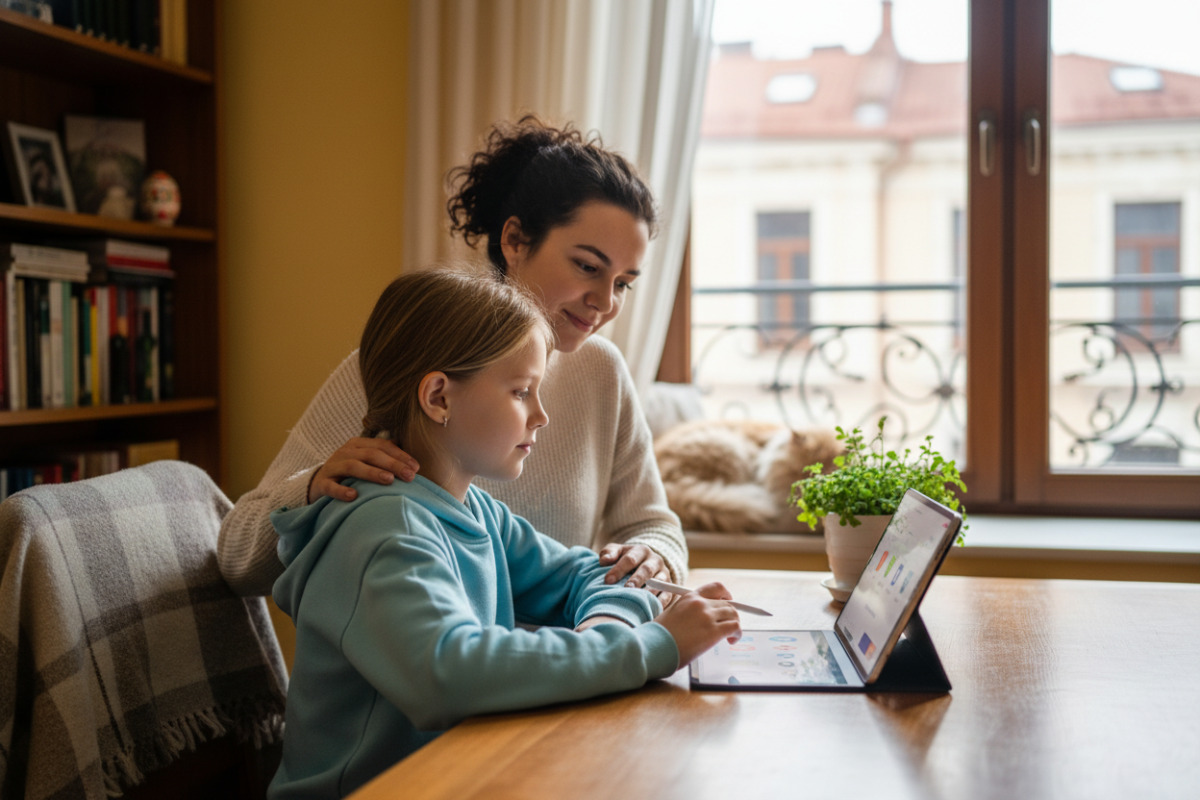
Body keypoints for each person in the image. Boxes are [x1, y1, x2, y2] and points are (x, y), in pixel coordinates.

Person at [267, 269, 740, 799]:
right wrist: (652, 646)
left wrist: (608, 627)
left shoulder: (473, 511)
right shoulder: (384, 529)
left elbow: (598, 575)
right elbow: (450, 671)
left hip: (462, 776)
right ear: (439, 398)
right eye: (521, 391)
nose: (541, 415)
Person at [219, 115, 686, 596]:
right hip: (428, 664)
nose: (606, 302)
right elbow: (236, 557)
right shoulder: (405, 359)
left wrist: (654, 558)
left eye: (624, 284)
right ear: (514, 240)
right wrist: (313, 487)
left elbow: (655, 527)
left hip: (563, 663)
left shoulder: (601, 372)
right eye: (587, 266)